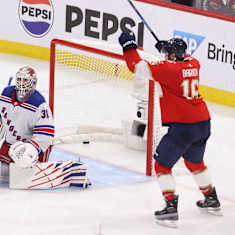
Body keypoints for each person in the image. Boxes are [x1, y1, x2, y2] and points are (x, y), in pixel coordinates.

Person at [118, 31, 221, 225]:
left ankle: (171, 208)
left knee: (162, 165)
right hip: (203, 123)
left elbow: (137, 67)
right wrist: (167, 51)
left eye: (167, 54)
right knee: (195, 163)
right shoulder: (194, 63)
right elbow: (179, 62)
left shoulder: (167, 70)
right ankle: (211, 198)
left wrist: (128, 45)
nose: (164, 56)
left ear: (173, 56)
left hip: (183, 127)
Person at [0, 66, 54, 169]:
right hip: (10, 144)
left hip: (31, 149)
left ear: (33, 82)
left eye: (25, 80)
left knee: (21, 171)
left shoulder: (39, 103)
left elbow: (46, 134)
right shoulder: (5, 94)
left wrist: (31, 149)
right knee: (3, 172)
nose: (21, 83)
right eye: (19, 79)